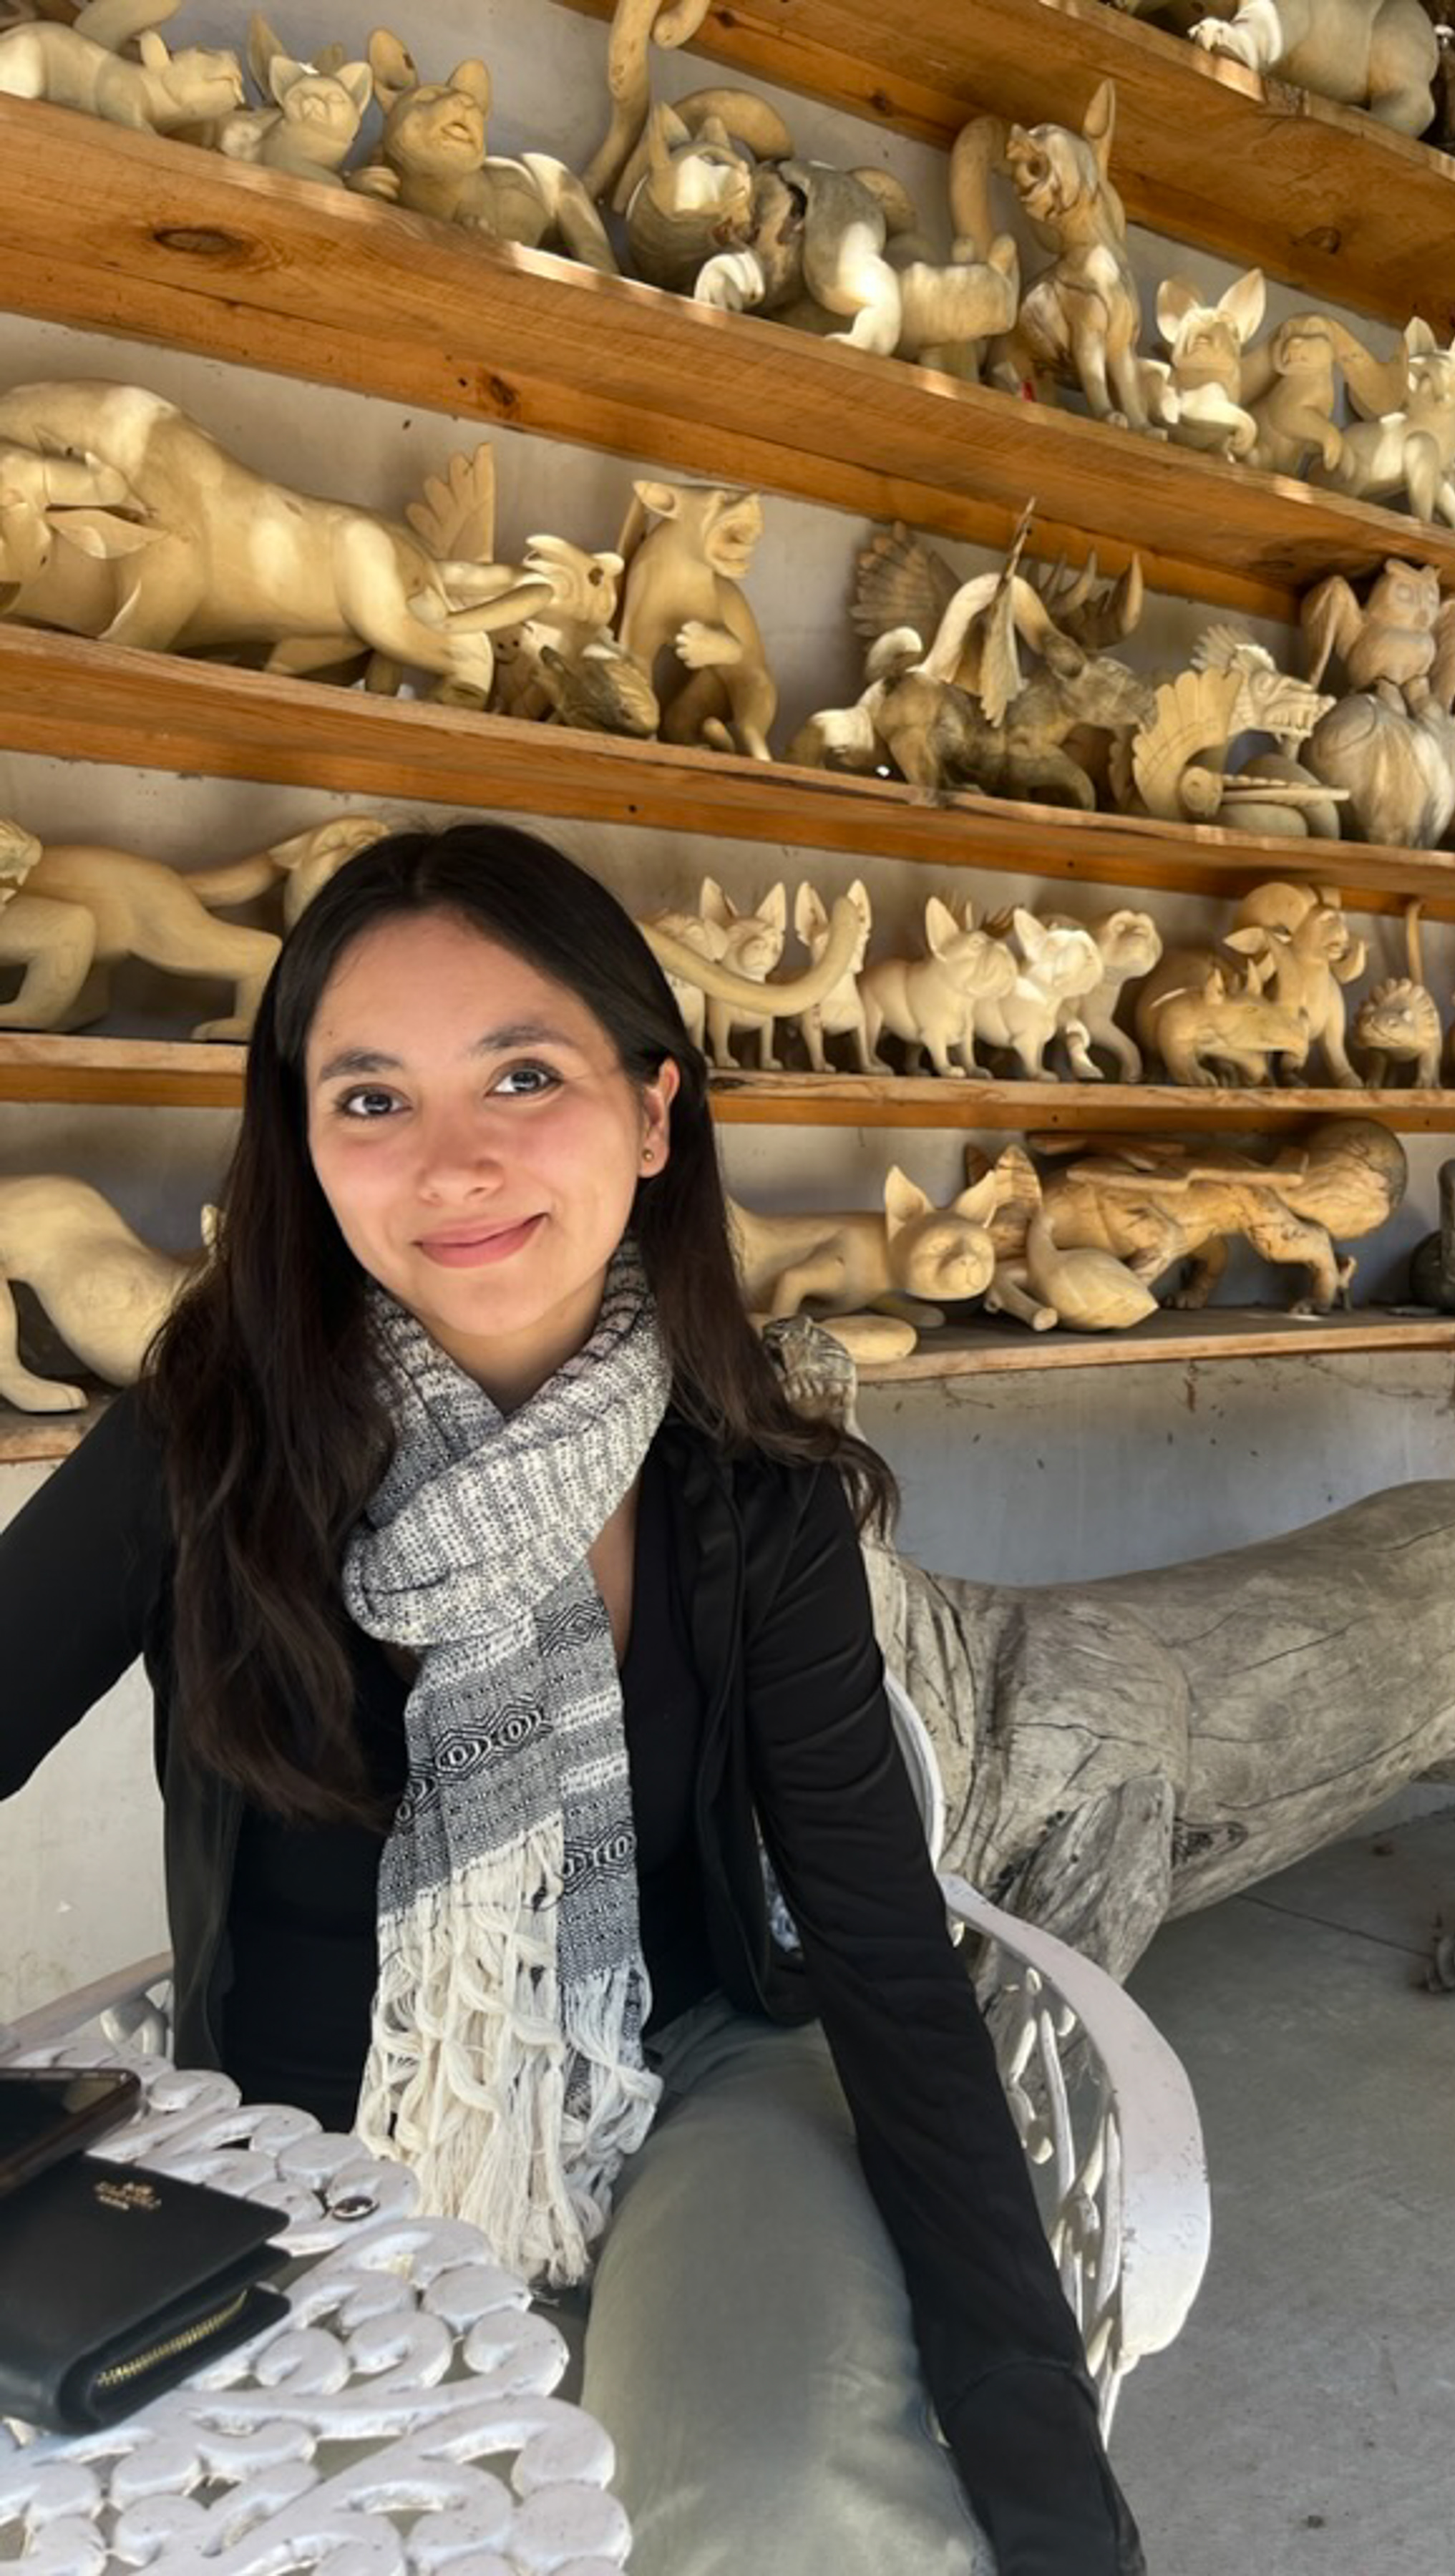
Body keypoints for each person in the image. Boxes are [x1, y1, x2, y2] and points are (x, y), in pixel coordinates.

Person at [0, 822, 1144, 2575]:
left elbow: (885, 1962)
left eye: (521, 1074)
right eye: (371, 1100)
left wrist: (1058, 2494)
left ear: (654, 1112)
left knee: (778, 2516)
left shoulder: (753, 1486)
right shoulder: (209, 1436)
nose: (452, 1164)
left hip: (701, 2075)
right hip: (299, 2152)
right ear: (305, 1148)